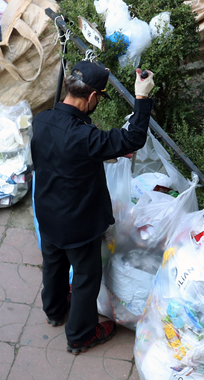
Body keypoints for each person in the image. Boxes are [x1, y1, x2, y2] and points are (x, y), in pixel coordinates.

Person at [31, 61, 155, 354]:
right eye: (99, 97)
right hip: (78, 224)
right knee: (86, 277)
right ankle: (80, 336)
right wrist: (142, 97)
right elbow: (132, 139)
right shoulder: (85, 138)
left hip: (47, 214)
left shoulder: (41, 120)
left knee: (53, 265)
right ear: (91, 97)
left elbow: (60, 153)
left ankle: (54, 310)